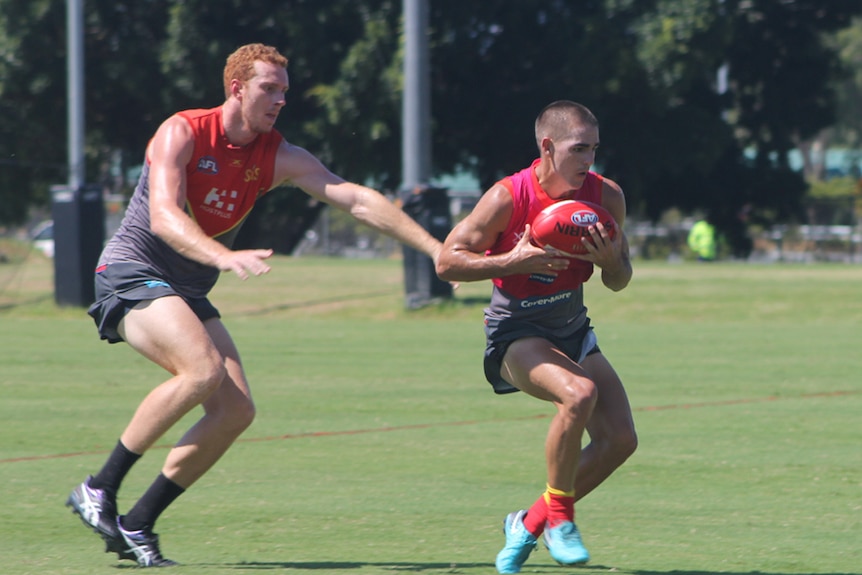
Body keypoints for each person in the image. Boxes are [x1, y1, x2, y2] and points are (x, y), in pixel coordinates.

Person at [66, 43, 444, 567]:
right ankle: (99, 488)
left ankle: (138, 523)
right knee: (200, 370)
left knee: (235, 409)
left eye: (285, 91)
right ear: (237, 88)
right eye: (269, 88)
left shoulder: (278, 154)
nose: (280, 100)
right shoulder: (183, 131)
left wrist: (436, 250)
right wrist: (222, 254)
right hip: (132, 272)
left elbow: (354, 198)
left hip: (185, 290)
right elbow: (164, 216)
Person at [436, 100, 637, 574]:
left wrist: (612, 263)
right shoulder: (508, 197)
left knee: (620, 440)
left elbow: (620, 279)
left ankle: (528, 523)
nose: (589, 159)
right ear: (548, 147)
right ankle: (561, 519)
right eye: (579, 148)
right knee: (579, 393)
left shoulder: (606, 197)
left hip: (573, 331)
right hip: (516, 335)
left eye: (594, 148)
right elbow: (446, 261)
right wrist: (510, 262)